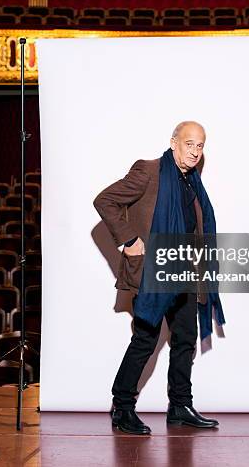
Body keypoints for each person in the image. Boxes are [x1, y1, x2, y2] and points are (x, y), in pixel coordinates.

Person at [93, 121, 225, 435]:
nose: (195, 151)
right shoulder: (149, 171)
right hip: (155, 273)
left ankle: (180, 406)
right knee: (145, 341)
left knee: (184, 341)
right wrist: (128, 240)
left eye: (200, 146)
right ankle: (122, 407)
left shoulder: (192, 181)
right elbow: (105, 200)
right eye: (190, 143)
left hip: (185, 272)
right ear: (174, 142)